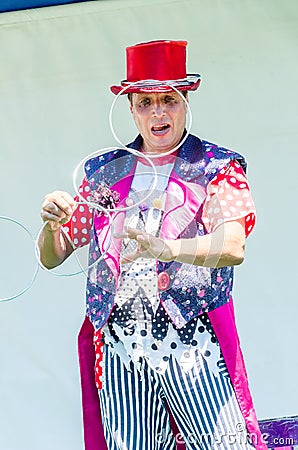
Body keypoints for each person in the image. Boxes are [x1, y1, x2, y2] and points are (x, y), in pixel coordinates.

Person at [39, 40, 267, 450]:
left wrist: (166, 249)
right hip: (123, 350)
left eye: (168, 100)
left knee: (229, 445)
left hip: (194, 347)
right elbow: (54, 256)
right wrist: (50, 227)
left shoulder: (216, 166)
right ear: (130, 108)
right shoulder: (105, 170)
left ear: (185, 101)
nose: (158, 112)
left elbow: (233, 245)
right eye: (145, 102)